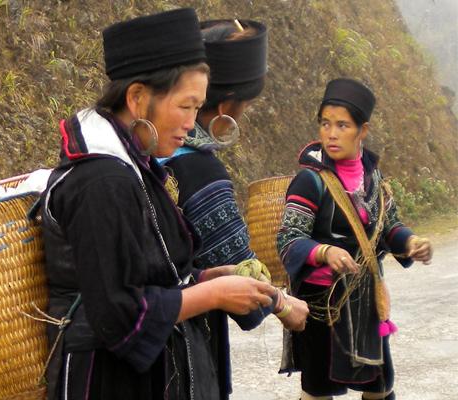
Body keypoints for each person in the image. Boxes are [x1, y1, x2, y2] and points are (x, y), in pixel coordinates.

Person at [39, 8, 279, 400]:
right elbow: (118, 314)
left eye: (196, 107)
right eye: (185, 106)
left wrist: (205, 278)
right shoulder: (102, 182)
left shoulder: (136, 167)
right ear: (137, 98)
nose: (191, 122)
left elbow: (149, 274)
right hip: (107, 383)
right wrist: (213, 296)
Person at [158, 19, 309, 399]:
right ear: (225, 106)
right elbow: (244, 286)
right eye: (246, 106)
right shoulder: (200, 169)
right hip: (182, 356)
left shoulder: (144, 154)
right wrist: (281, 302)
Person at [277, 78, 433, 400]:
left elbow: (389, 227)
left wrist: (411, 242)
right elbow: (289, 239)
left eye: (342, 125)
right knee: (318, 391)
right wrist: (323, 251)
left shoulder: (373, 177)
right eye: (325, 123)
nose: (331, 133)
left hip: (366, 303)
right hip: (323, 305)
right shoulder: (309, 181)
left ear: (362, 131)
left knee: (380, 387)